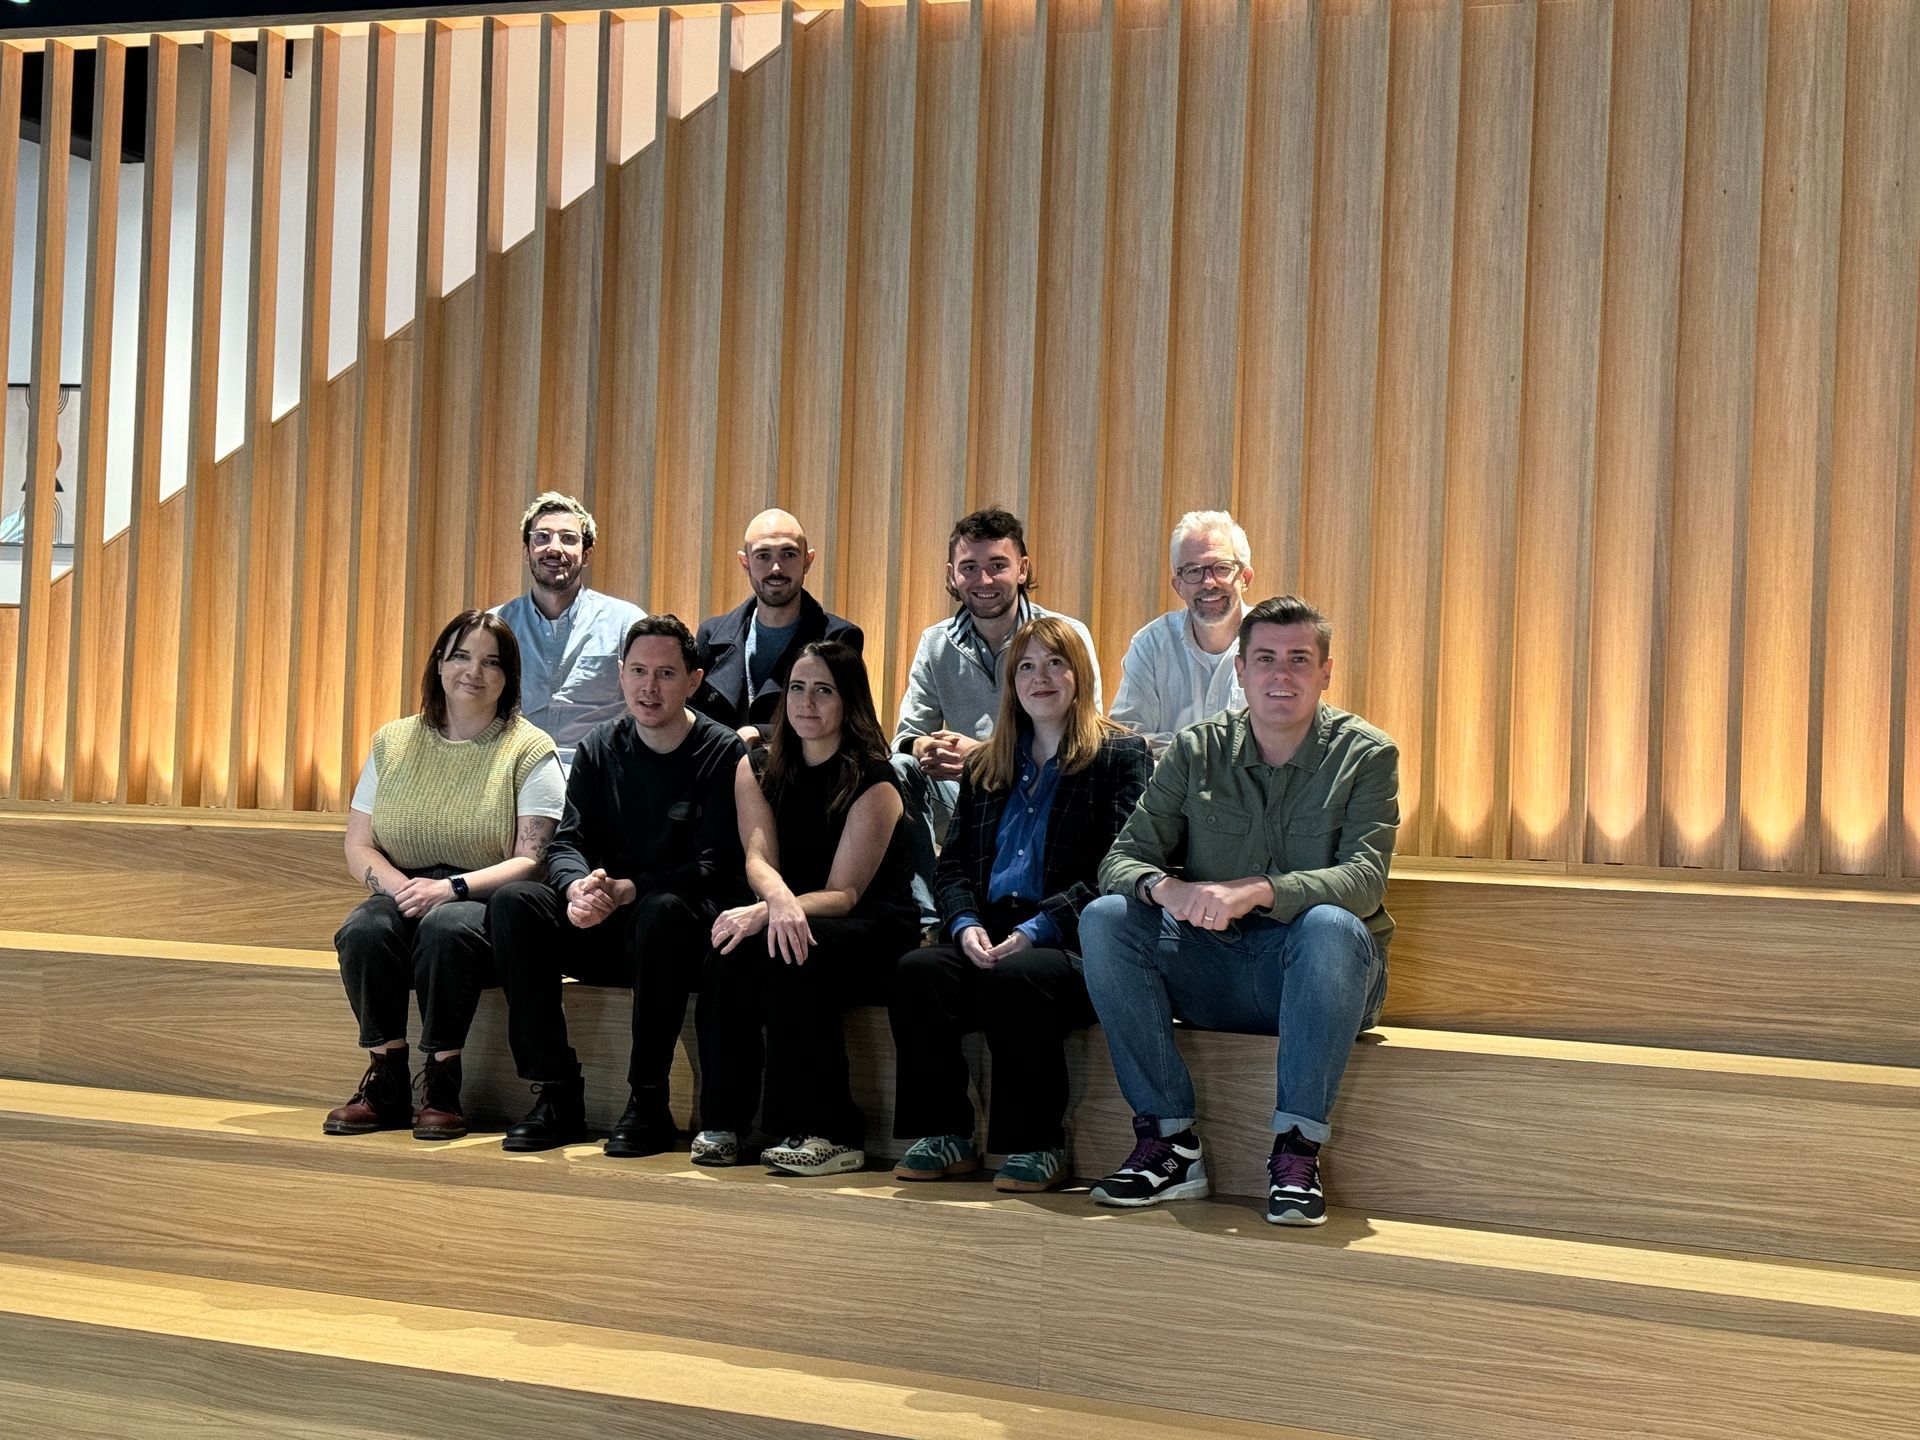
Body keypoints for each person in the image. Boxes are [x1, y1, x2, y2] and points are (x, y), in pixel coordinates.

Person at [1078, 595, 1397, 1226]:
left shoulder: (1367, 755)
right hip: (1213, 965)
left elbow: (1364, 881)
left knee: (1332, 923)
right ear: (1241, 671)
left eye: (1299, 659)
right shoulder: (1196, 750)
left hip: (1317, 975)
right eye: (1266, 659)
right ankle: (1169, 1143)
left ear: (1325, 671)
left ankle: (1297, 1150)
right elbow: (1121, 860)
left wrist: (1257, 889)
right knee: (1106, 917)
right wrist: (1167, 890)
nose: (1282, 675)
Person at [888, 616, 1150, 1192]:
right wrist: (961, 923)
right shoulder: (989, 763)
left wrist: (1038, 928)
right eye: (1026, 667)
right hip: (987, 929)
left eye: (1056, 664)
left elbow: (1115, 869)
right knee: (917, 972)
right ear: (1012, 685)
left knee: (1019, 979)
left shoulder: (1120, 756)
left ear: (1079, 675)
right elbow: (952, 863)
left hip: (1073, 938)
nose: (1041, 678)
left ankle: (1038, 1143)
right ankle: (945, 1135)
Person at [487, 616, 746, 1155]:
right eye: (638, 672)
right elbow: (566, 842)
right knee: (516, 902)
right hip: (605, 915)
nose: (649, 688)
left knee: (663, 910)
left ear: (694, 681)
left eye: (667, 674)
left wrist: (631, 888)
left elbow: (716, 865)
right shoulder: (600, 745)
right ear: (620, 675)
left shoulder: (722, 753)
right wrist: (579, 887)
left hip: (676, 929)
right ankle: (556, 1091)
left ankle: (648, 1100)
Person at [326, 610, 563, 1141]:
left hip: (482, 895)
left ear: (508, 678)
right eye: (460, 656)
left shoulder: (529, 749)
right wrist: (402, 889)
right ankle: (385, 1078)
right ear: (438, 664)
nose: (472, 672)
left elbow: (533, 859)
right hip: (405, 884)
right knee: (364, 930)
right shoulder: (393, 741)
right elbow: (358, 843)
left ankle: (442, 1081)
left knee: (446, 930)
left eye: (490, 662)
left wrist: (450, 888)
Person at [694, 641, 922, 1175]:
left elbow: (844, 893)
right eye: (797, 688)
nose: (807, 702)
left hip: (870, 922)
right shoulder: (755, 766)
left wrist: (772, 913)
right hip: (788, 909)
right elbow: (757, 858)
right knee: (728, 950)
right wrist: (770, 905)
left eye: (824, 691)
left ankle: (832, 1132)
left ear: (849, 702)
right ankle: (724, 1122)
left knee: (797, 951)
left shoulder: (875, 778)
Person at [892, 506, 1103, 890]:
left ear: (1022, 569)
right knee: (897, 770)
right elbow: (905, 736)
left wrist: (986, 755)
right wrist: (927, 747)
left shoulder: (1066, 636)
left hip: (1043, 788)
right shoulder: (935, 643)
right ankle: (925, 919)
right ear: (951, 575)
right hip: (964, 796)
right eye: (969, 567)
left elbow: (1087, 737)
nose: (983, 578)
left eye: (997, 565)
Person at [491, 492, 646, 769]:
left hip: (599, 777)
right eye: (542, 537)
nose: (554, 548)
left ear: (586, 555)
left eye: (568, 538)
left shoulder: (626, 623)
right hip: (511, 776)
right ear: (526, 551)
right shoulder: (495, 625)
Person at [692, 508, 863, 742]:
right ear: (745, 563)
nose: (776, 568)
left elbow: (848, 725)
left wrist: (760, 734)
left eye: (789, 554)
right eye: (763, 556)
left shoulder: (839, 638)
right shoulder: (712, 635)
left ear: (807, 560)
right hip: (720, 775)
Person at [1109, 510, 1251, 754]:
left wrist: (1181, 754)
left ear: (1245, 577)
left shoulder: (1275, 646)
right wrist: (1207, 759)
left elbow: (1283, 741)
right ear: (1179, 586)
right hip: (1169, 791)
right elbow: (1125, 738)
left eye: (1222, 568)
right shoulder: (1151, 645)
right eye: (1194, 570)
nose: (1209, 583)